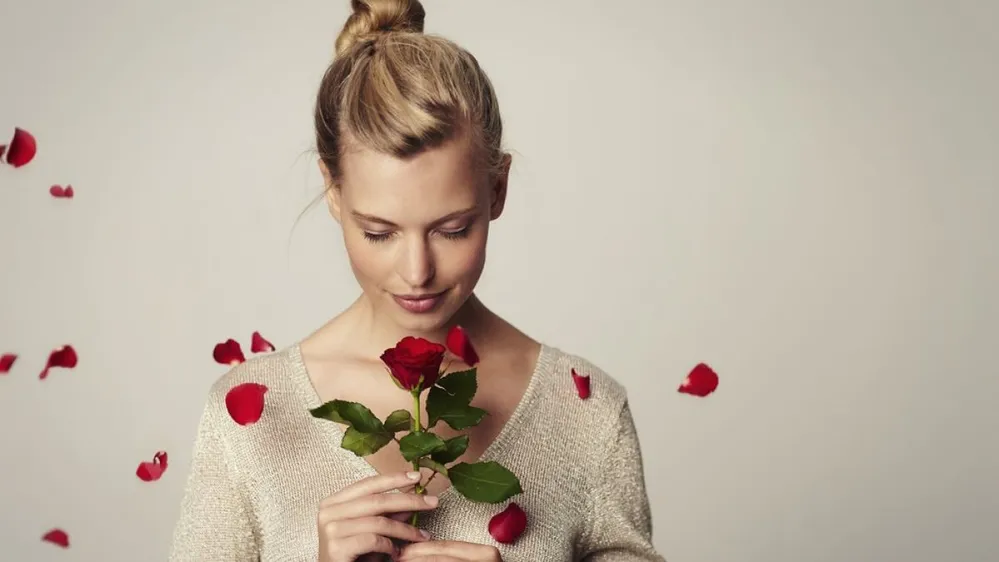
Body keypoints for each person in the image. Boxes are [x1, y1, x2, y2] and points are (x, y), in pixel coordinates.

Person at [168, 1, 665, 560]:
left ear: (497, 190)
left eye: (452, 229)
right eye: (378, 232)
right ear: (333, 191)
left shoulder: (586, 414)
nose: (417, 272)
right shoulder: (251, 424)